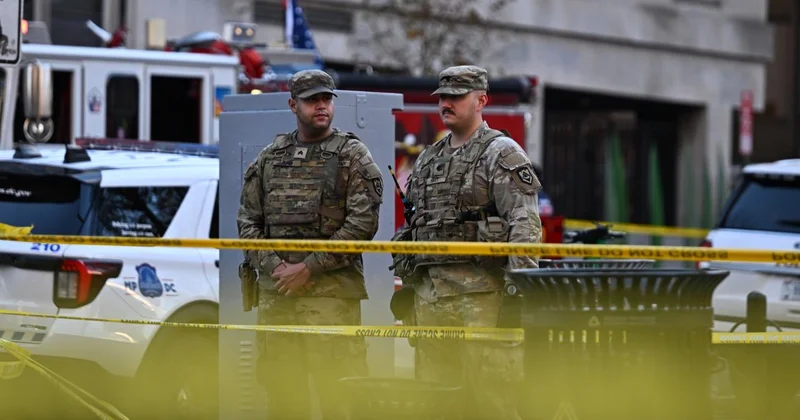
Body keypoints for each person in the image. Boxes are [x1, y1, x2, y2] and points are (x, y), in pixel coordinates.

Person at [391, 65, 542, 419]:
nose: (446, 103)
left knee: (492, 403)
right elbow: (414, 228)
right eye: (443, 97)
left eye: (456, 96)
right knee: (436, 405)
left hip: (483, 302)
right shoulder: (428, 160)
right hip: (431, 300)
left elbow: (524, 225)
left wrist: (518, 293)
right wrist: (410, 287)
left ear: (481, 100)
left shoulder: (501, 153)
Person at [236, 69, 384, 419]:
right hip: (278, 299)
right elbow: (247, 223)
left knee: (340, 399)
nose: (322, 106)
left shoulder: (352, 155)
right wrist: (278, 269)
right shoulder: (271, 157)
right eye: (312, 100)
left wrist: (308, 267)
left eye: (327, 99)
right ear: (293, 105)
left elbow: (363, 224)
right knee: (283, 399)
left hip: (330, 299)